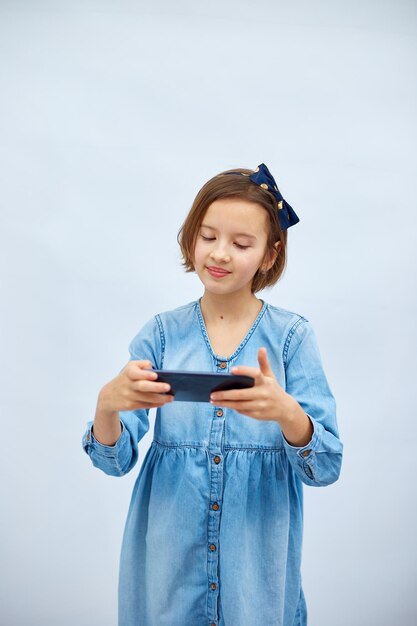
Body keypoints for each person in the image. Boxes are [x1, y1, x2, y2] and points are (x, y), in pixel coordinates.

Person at [82, 163, 343, 626]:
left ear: (269, 254)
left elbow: (325, 466)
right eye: (207, 236)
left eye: (241, 244)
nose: (219, 253)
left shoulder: (291, 338)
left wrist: (287, 413)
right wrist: (108, 404)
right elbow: (114, 460)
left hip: (256, 582)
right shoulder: (161, 334)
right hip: (166, 571)